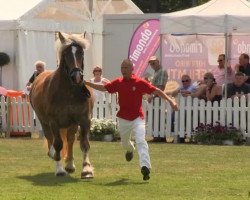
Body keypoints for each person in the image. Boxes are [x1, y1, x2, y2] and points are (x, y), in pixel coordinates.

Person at [85, 59, 178, 181]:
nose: (123, 70)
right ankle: (130, 149)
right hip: (123, 119)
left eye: (125, 68)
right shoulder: (118, 82)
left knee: (141, 140)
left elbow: (157, 90)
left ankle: (145, 167)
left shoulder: (139, 82)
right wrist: (88, 83)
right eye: (122, 68)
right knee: (125, 144)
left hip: (138, 118)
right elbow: (104, 88)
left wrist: (170, 101)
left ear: (131, 69)